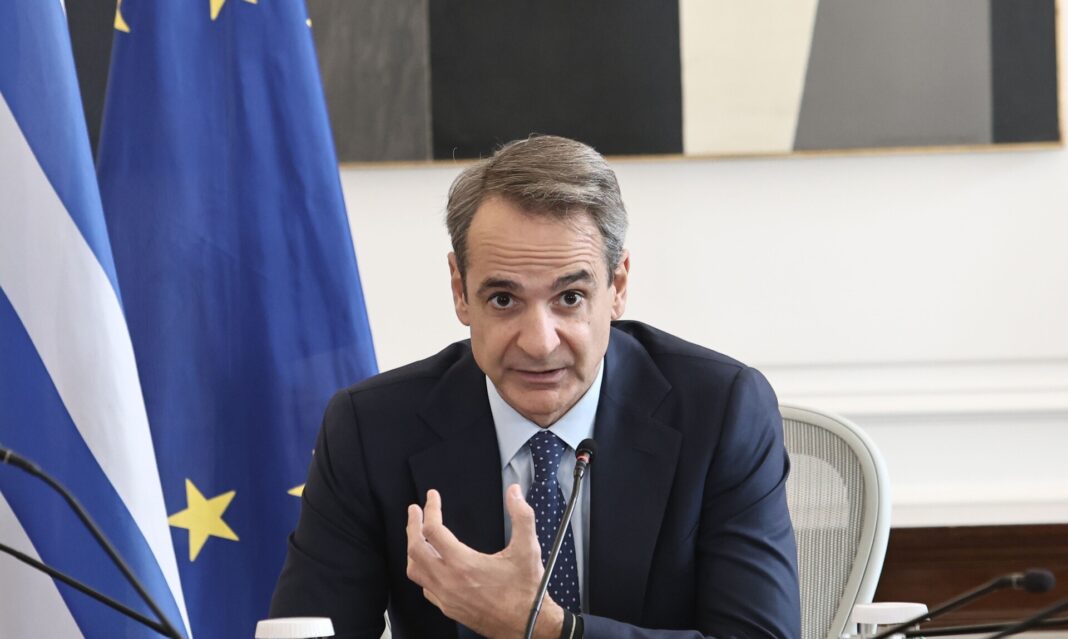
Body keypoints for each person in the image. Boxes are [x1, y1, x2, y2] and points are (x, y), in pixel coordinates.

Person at [269, 135, 801, 638]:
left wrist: (546, 628)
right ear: (460, 291)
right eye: (504, 300)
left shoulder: (721, 411)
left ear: (617, 287)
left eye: (569, 298)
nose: (539, 343)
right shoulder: (370, 429)